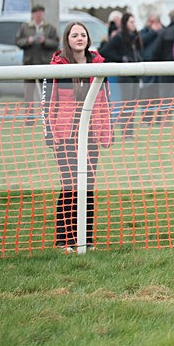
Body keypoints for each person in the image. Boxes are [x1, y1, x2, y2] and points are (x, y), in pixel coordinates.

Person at [43, 22, 112, 252]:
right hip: (65, 136)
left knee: (87, 186)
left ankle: (86, 239)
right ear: (67, 39)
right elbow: (48, 103)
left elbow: (105, 102)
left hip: (90, 135)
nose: (79, 38)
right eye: (75, 35)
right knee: (70, 185)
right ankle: (64, 239)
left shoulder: (99, 66)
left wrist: (106, 132)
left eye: (83, 34)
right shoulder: (56, 67)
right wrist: (50, 133)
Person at [99, 12, 143, 139]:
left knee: (132, 104)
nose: (134, 24)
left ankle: (130, 132)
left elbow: (138, 52)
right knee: (126, 104)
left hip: (135, 74)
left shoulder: (135, 36)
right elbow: (104, 52)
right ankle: (125, 132)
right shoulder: (119, 37)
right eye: (131, 22)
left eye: (134, 22)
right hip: (125, 75)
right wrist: (121, 59)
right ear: (125, 23)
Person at [14, 4, 59, 124]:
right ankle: (29, 119)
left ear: (43, 13)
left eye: (40, 12)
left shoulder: (50, 28)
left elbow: (55, 43)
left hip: (44, 65)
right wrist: (27, 41)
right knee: (28, 94)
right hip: (29, 65)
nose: (38, 15)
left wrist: (45, 41)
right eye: (36, 12)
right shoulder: (25, 27)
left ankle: (48, 117)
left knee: (46, 94)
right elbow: (18, 41)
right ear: (33, 14)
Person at [138, 13, 163, 124]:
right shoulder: (143, 32)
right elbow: (141, 41)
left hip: (159, 67)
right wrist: (152, 31)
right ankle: (146, 119)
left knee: (158, 96)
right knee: (146, 96)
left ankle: (159, 119)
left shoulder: (162, 32)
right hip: (146, 67)